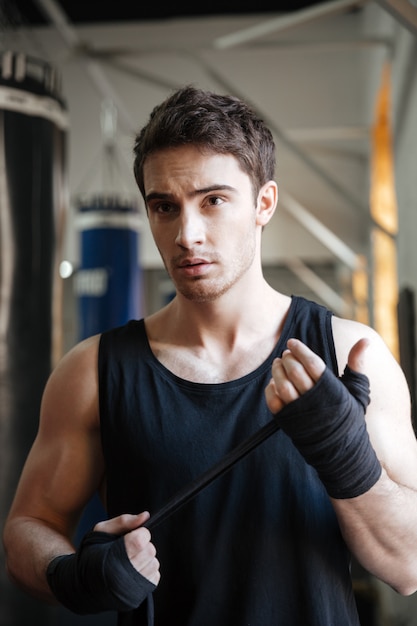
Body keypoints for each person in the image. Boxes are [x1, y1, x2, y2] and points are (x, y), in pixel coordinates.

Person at [3, 85, 417, 626]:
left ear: (263, 203)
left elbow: (408, 567)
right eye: (164, 207)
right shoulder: (94, 372)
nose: (186, 235)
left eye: (213, 200)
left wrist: (345, 456)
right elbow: (27, 528)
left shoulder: (348, 354)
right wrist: (73, 574)